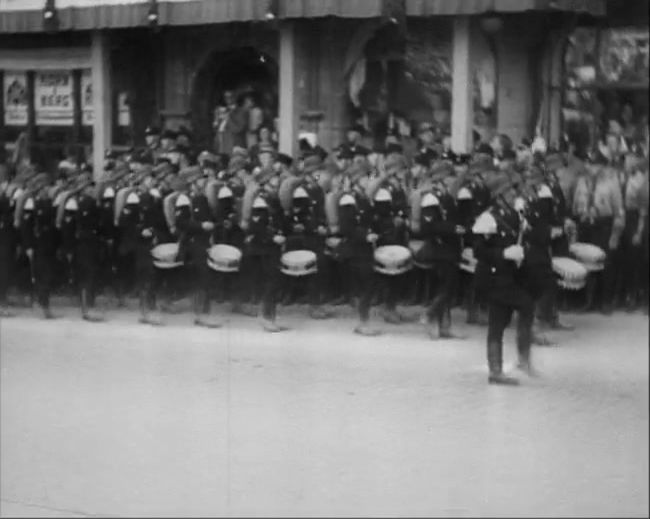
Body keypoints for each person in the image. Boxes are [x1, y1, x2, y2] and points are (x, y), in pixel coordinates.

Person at [472, 170, 536, 385]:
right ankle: (500, 369)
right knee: (514, 311)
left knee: (503, 319)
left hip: (510, 275)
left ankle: (516, 362)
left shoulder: (514, 213)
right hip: (493, 277)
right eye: (508, 191)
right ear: (499, 195)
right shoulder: (488, 217)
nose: (512, 194)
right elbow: (479, 251)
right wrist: (503, 254)